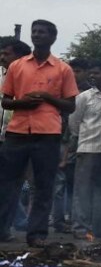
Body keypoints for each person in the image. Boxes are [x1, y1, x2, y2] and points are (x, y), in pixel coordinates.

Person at [0, 21, 78, 246]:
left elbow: (70, 106)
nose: (36, 35)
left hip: (48, 133)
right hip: (17, 131)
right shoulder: (17, 66)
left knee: (44, 185)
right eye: (34, 32)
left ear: (53, 37)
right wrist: (23, 102)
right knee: (7, 183)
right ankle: (3, 231)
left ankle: (37, 235)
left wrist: (47, 97)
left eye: (41, 32)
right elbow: (6, 101)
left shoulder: (63, 69)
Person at [69, 61, 101, 240]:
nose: (92, 76)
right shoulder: (84, 97)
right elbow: (74, 123)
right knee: (83, 190)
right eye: (92, 73)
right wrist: (82, 138)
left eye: (97, 73)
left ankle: (100, 228)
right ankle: (80, 228)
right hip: (88, 148)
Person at [51, 57, 92, 234]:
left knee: (78, 183)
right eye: (72, 70)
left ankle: (77, 220)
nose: (75, 74)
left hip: (84, 141)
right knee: (59, 182)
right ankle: (59, 221)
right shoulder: (61, 89)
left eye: (78, 71)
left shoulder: (92, 92)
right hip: (61, 139)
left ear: (86, 73)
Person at [0, 38, 33, 238]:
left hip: (17, 138)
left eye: (7, 53)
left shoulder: (30, 77)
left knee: (12, 187)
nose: (2, 57)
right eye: (1, 53)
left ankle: (3, 230)